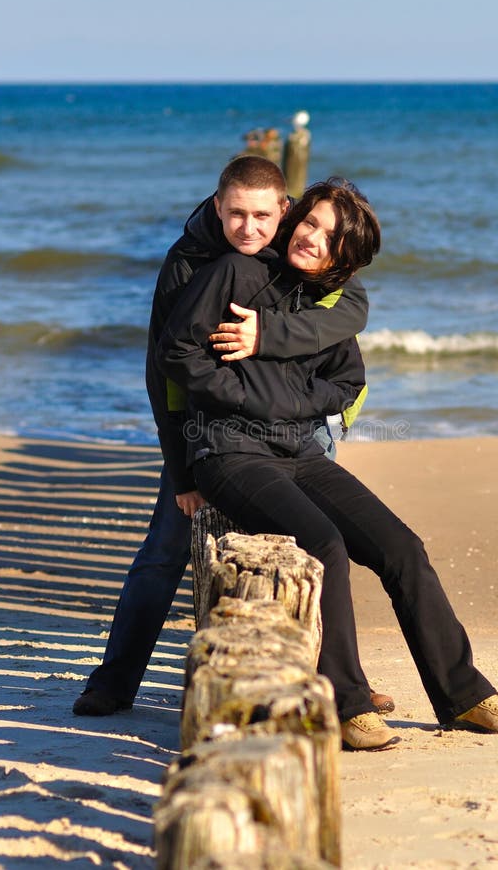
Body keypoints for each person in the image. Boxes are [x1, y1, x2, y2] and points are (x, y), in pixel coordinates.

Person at [155, 178, 498, 751]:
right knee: (325, 545)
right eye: (309, 223)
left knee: (402, 548)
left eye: (329, 236)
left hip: (300, 453)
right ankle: (349, 704)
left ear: (344, 256)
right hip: (229, 451)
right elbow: (175, 354)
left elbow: (346, 383)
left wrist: (289, 402)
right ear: (294, 217)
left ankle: (463, 695)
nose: (311, 238)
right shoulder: (235, 272)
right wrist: (244, 401)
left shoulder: (325, 307)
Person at [73, 156, 391, 717]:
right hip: (208, 435)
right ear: (217, 207)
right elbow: (164, 372)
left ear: (284, 210)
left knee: (314, 552)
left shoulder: (293, 244)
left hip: (300, 428)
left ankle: (340, 682)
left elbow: (351, 306)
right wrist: (182, 470)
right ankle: (115, 681)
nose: (250, 228)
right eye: (237, 214)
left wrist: (274, 337)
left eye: (263, 216)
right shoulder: (188, 261)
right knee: (165, 551)